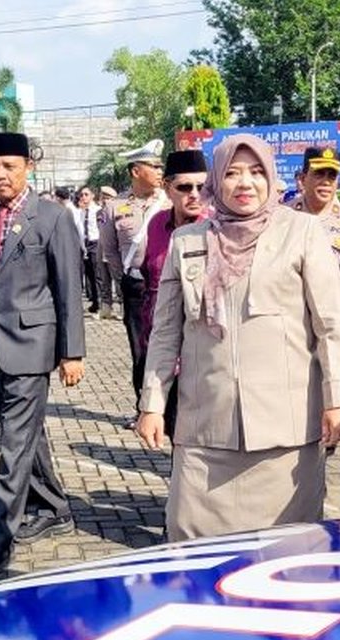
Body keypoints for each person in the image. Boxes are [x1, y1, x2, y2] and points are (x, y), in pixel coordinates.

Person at [137, 134, 340, 541]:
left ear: (271, 177)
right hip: (205, 431)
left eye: (256, 172)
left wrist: (337, 397)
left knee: (290, 556)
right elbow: (165, 332)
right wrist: (152, 403)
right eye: (233, 173)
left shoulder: (302, 232)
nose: (245, 183)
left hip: (285, 434)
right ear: (216, 181)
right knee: (192, 549)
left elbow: (330, 325)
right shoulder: (188, 241)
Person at [0, 131, 85, 575]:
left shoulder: (51, 217)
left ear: (27, 168)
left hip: (33, 348)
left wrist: (72, 352)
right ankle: (54, 507)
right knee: (27, 435)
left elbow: (69, 286)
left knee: (13, 444)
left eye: (8, 166)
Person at [99, 139, 170, 428]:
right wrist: (124, 280)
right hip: (137, 288)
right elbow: (111, 251)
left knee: (173, 347)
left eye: (160, 166)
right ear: (135, 171)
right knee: (140, 351)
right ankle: (143, 407)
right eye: (153, 166)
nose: (159, 170)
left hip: (169, 285)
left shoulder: (170, 201)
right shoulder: (116, 207)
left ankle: (171, 408)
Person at [138, 149, 208, 438]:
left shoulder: (215, 228)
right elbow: (148, 272)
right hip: (160, 341)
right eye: (184, 187)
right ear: (167, 188)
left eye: (202, 187)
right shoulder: (156, 225)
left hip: (200, 349)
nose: (194, 194)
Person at [289, 146, 340, 258]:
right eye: (319, 174)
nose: (326, 182)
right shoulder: (285, 214)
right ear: (303, 179)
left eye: (332, 176)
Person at [73, 186, 102, 315]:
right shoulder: (81, 212)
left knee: (97, 274)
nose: (83, 197)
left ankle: (101, 302)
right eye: (81, 195)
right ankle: (95, 302)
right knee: (89, 275)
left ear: (92, 196)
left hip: (95, 243)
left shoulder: (98, 210)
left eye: (86, 194)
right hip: (84, 245)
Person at [95, 185, 119, 319]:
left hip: (114, 250)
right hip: (101, 248)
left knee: (118, 279)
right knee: (103, 280)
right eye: (103, 197)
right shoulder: (99, 213)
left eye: (108, 198)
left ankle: (122, 306)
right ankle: (106, 308)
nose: (105, 200)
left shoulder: (118, 212)